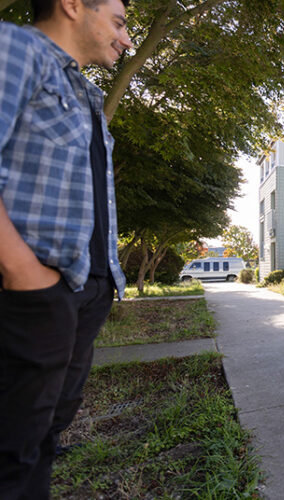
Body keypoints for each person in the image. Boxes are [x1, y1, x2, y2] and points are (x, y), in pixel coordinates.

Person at [0, 0, 132, 497]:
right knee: (12, 449)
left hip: (84, 290)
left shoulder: (86, 94)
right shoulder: (14, 49)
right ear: (73, 5)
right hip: (32, 294)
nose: (125, 40)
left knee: (44, 436)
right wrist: (24, 274)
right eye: (118, 23)